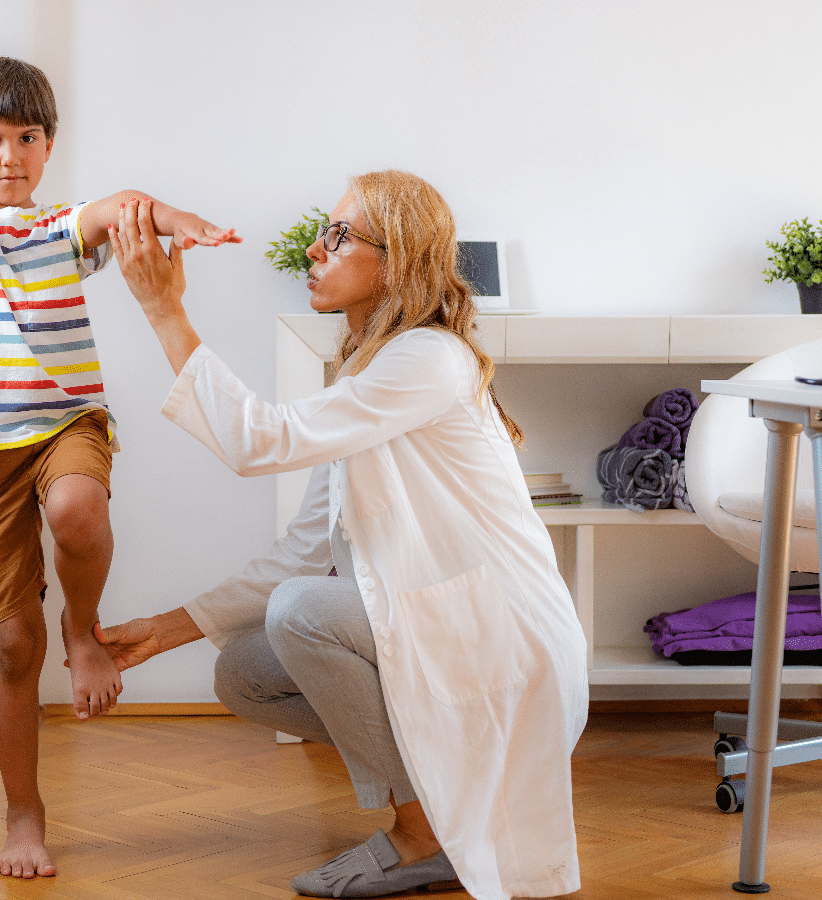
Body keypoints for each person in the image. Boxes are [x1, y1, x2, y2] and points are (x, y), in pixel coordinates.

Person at [98, 172, 589, 900]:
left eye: (338, 236)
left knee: (301, 613)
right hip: (452, 628)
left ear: (394, 261)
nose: (314, 250)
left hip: (506, 639)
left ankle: (422, 835)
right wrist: (165, 632)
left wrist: (165, 310)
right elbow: (304, 548)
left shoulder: (425, 359)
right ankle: (439, 811)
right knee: (246, 672)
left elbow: (256, 442)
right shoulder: (372, 371)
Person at [0, 56, 239, 879]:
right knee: (9, 647)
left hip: (68, 423)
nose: (10, 156)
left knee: (78, 509)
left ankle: (84, 627)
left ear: (48, 147)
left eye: (28, 139)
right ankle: (24, 814)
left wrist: (185, 222)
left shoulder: (57, 227)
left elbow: (121, 207)